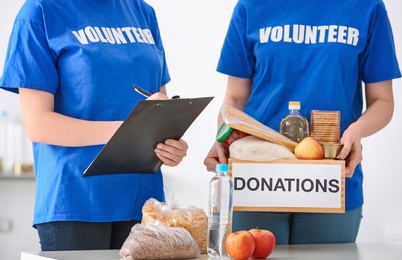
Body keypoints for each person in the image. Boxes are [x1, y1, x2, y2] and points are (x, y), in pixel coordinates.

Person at [204, 0, 401, 245]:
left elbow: (382, 101)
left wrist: (357, 130)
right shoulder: (251, 6)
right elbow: (234, 98)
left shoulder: (367, 7)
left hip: (330, 178)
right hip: (257, 177)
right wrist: (223, 135)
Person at [0, 0, 188, 251]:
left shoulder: (142, 12)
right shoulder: (40, 11)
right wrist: (130, 129)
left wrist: (170, 144)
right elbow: (39, 124)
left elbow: (158, 107)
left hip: (144, 201)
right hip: (76, 200)